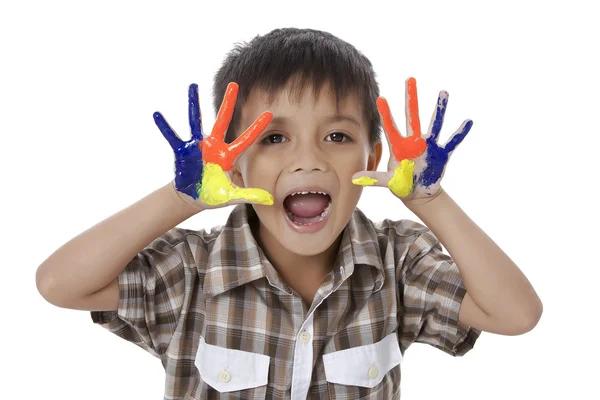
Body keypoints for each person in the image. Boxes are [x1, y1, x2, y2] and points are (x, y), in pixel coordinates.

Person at [36, 28, 543, 399]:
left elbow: (516, 314)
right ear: (235, 163)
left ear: (371, 160)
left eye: (338, 136)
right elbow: (60, 283)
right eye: (274, 138)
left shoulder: (400, 264)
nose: (309, 159)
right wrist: (181, 198)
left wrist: (430, 201)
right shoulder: (189, 273)